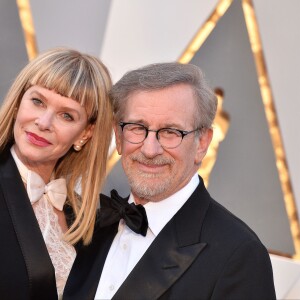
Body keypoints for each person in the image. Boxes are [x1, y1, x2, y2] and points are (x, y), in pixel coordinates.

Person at [65, 62, 276, 299]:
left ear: (202, 143)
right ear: (119, 135)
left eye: (171, 132)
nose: (150, 149)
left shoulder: (238, 255)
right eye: (137, 127)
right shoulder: (88, 227)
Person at [0, 47, 113, 299]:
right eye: (38, 101)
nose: (44, 122)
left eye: (66, 115)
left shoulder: (83, 216)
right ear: (19, 101)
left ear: (85, 133)